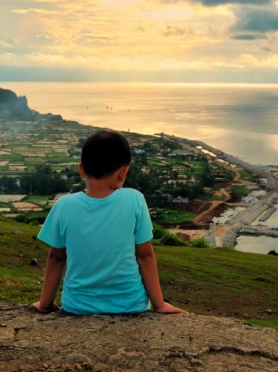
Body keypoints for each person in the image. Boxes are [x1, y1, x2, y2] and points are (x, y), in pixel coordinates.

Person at [32, 129, 186, 315]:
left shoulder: (64, 205)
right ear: (123, 172)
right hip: (130, 306)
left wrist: (45, 304)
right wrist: (159, 305)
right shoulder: (135, 200)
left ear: (81, 169)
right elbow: (145, 256)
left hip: (78, 307)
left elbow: (56, 258)